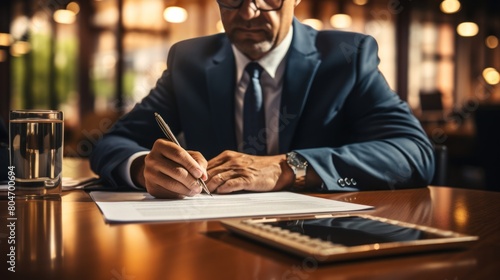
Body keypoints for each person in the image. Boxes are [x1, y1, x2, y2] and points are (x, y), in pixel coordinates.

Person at [90, 0, 435, 198]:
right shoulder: (190, 61)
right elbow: (114, 142)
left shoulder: (347, 57)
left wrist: (288, 167)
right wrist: (141, 168)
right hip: (210, 239)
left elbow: (413, 152)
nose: (248, 12)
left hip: (319, 239)